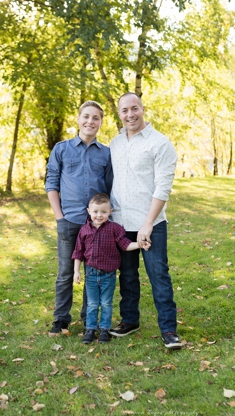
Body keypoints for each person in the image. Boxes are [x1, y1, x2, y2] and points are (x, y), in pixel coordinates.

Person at [108, 92, 182, 350]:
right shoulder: (115, 144)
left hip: (150, 223)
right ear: (119, 114)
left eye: (134, 108)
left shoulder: (160, 143)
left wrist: (148, 223)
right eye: (125, 110)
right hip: (120, 221)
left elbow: (163, 187)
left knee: (158, 274)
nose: (130, 114)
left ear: (142, 109)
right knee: (126, 275)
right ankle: (130, 320)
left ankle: (169, 329)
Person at [44, 101, 113, 336]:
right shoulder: (61, 149)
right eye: (86, 116)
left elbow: (110, 187)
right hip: (70, 221)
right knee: (65, 273)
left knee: (93, 272)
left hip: (97, 224)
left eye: (96, 118)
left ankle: (88, 318)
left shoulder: (106, 153)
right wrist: (59, 218)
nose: (90, 122)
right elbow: (51, 183)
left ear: (101, 122)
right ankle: (61, 319)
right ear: (78, 119)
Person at [72, 193, 146, 344]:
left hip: (108, 274)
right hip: (91, 273)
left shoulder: (114, 229)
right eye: (96, 212)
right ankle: (90, 329)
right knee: (92, 303)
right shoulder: (84, 230)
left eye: (104, 212)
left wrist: (139, 244)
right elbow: (78, 252)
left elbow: (125, 245)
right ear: (89, 211)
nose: (99, 215)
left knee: (106, 303)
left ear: (110, 212)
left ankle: (104, 329)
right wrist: (76, 271)